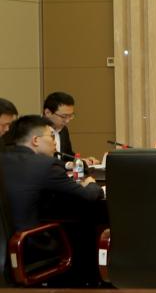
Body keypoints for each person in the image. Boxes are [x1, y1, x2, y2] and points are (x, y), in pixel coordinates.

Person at [1, 115, 103, 280]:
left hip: (5, 245)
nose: (55, 142)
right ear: (35, 140)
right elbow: (88, 196)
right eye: (51, 136)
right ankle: (84, 283)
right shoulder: (45, 166)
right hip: (29, 244)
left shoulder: (4, 158)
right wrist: (91, 183)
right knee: (79, 231)